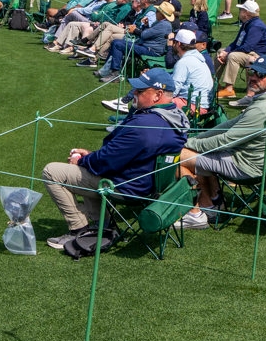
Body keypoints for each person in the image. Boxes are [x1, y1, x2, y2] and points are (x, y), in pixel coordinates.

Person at [42, 68, 189, 247]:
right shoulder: (177, 117)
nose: (134, 93)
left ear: (157, 95)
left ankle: (78, 230)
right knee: (87, 168)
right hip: (150, 185)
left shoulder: (145, 124)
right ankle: (102, 226)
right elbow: (116, 155)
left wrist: (82, 159)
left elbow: (105, 163)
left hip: (127, 187)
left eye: (140, 91)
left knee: (51, 172)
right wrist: (91, 157)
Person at [177, 51, 266, 229]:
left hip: (245, 167)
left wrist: (188, 143)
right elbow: (229, 125)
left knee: (178, 156)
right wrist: (196, 137)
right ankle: (214, 204)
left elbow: (227, 140)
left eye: (261, 75)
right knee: (196, 151)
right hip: (250, 160)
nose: (254, 77)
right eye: (253, 72)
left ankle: (195, 215)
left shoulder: (264, 108)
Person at [214, 0, 266, 100]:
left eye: (241, 9)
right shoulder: (248, 23)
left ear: (246, 13)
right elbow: (236, 42)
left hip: (258, 55)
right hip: (249, 52)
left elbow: (247, 47)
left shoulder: (256, 26)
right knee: (220, 51)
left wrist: (228, 54)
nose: (239, 11)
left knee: (233, 56)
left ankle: (229, 89)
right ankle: (214, 83)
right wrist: (226, 51)